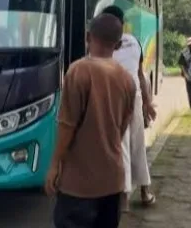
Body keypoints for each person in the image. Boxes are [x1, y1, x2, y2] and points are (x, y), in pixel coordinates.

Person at [46, 13, 136, 228]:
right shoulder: (126, 79)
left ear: (88, 37)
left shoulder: (78, 70)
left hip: (78, 185)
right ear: (118, 44)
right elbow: (122, 127)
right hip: (113, 181)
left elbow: (67, 124)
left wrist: (55, 165)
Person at [101, 5, 157, 210]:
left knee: (122, 147)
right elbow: (142, 75)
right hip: (135, 97)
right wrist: (148, 103)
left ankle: (122, 198)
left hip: (115, 100)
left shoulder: (104, 45)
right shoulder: (134, 41)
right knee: (137, 145)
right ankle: (144, 191)